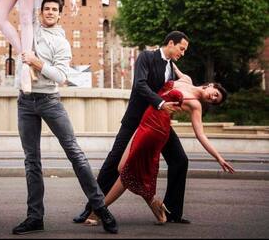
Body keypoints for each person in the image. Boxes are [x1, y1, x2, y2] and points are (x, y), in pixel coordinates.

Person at [11, 0, 118, 235]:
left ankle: (101, 208)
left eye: (53, 10)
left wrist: (36, 62)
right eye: (46, 9)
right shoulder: (30, 29)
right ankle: (34, 217)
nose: (49, 12)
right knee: (31, 161)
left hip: (50, 101)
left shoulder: (61, 42)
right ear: (40, 12)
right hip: (25, 102)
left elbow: (61, 76)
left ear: (60, 14)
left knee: (75, 153)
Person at [84, 73, 235, 225]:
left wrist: (218, 157)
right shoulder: (186, 79)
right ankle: (157, 208)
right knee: (121, 166)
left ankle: (99, 212)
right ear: (211, 85)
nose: (213, 98)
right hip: (145, 122)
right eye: (215, 94)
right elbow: (171, 60)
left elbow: (200, 135)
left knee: (127, 171)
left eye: (215, 100)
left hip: (156, 131)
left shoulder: (196, 105)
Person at [74, 31, 192, 225]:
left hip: (157, 125)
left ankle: (172, 212)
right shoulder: (146, 57)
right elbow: (139, 85)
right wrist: (161, 103)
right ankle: (91, 208)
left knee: (180, 160)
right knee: (113, 162)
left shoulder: (171, 68)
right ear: (171, 43)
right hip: (136, 120)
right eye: (182, 48)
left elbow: (182, 87)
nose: (183, 53)